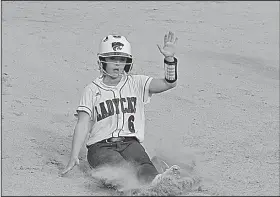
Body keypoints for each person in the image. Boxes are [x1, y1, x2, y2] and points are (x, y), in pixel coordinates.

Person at [61, 31, 180, 185]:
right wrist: (74, 156)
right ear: (101, 62)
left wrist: (169, 59)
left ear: (127, 62)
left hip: (131, 143)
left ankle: (155, 184)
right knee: (121, 170)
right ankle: (134, 188)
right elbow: (82, 124)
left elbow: (168, 83)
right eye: (112, 59)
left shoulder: (136, 83)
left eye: (122, 59)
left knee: (144, 165)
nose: (117, 63)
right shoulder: (91, 90)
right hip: (100, 147)